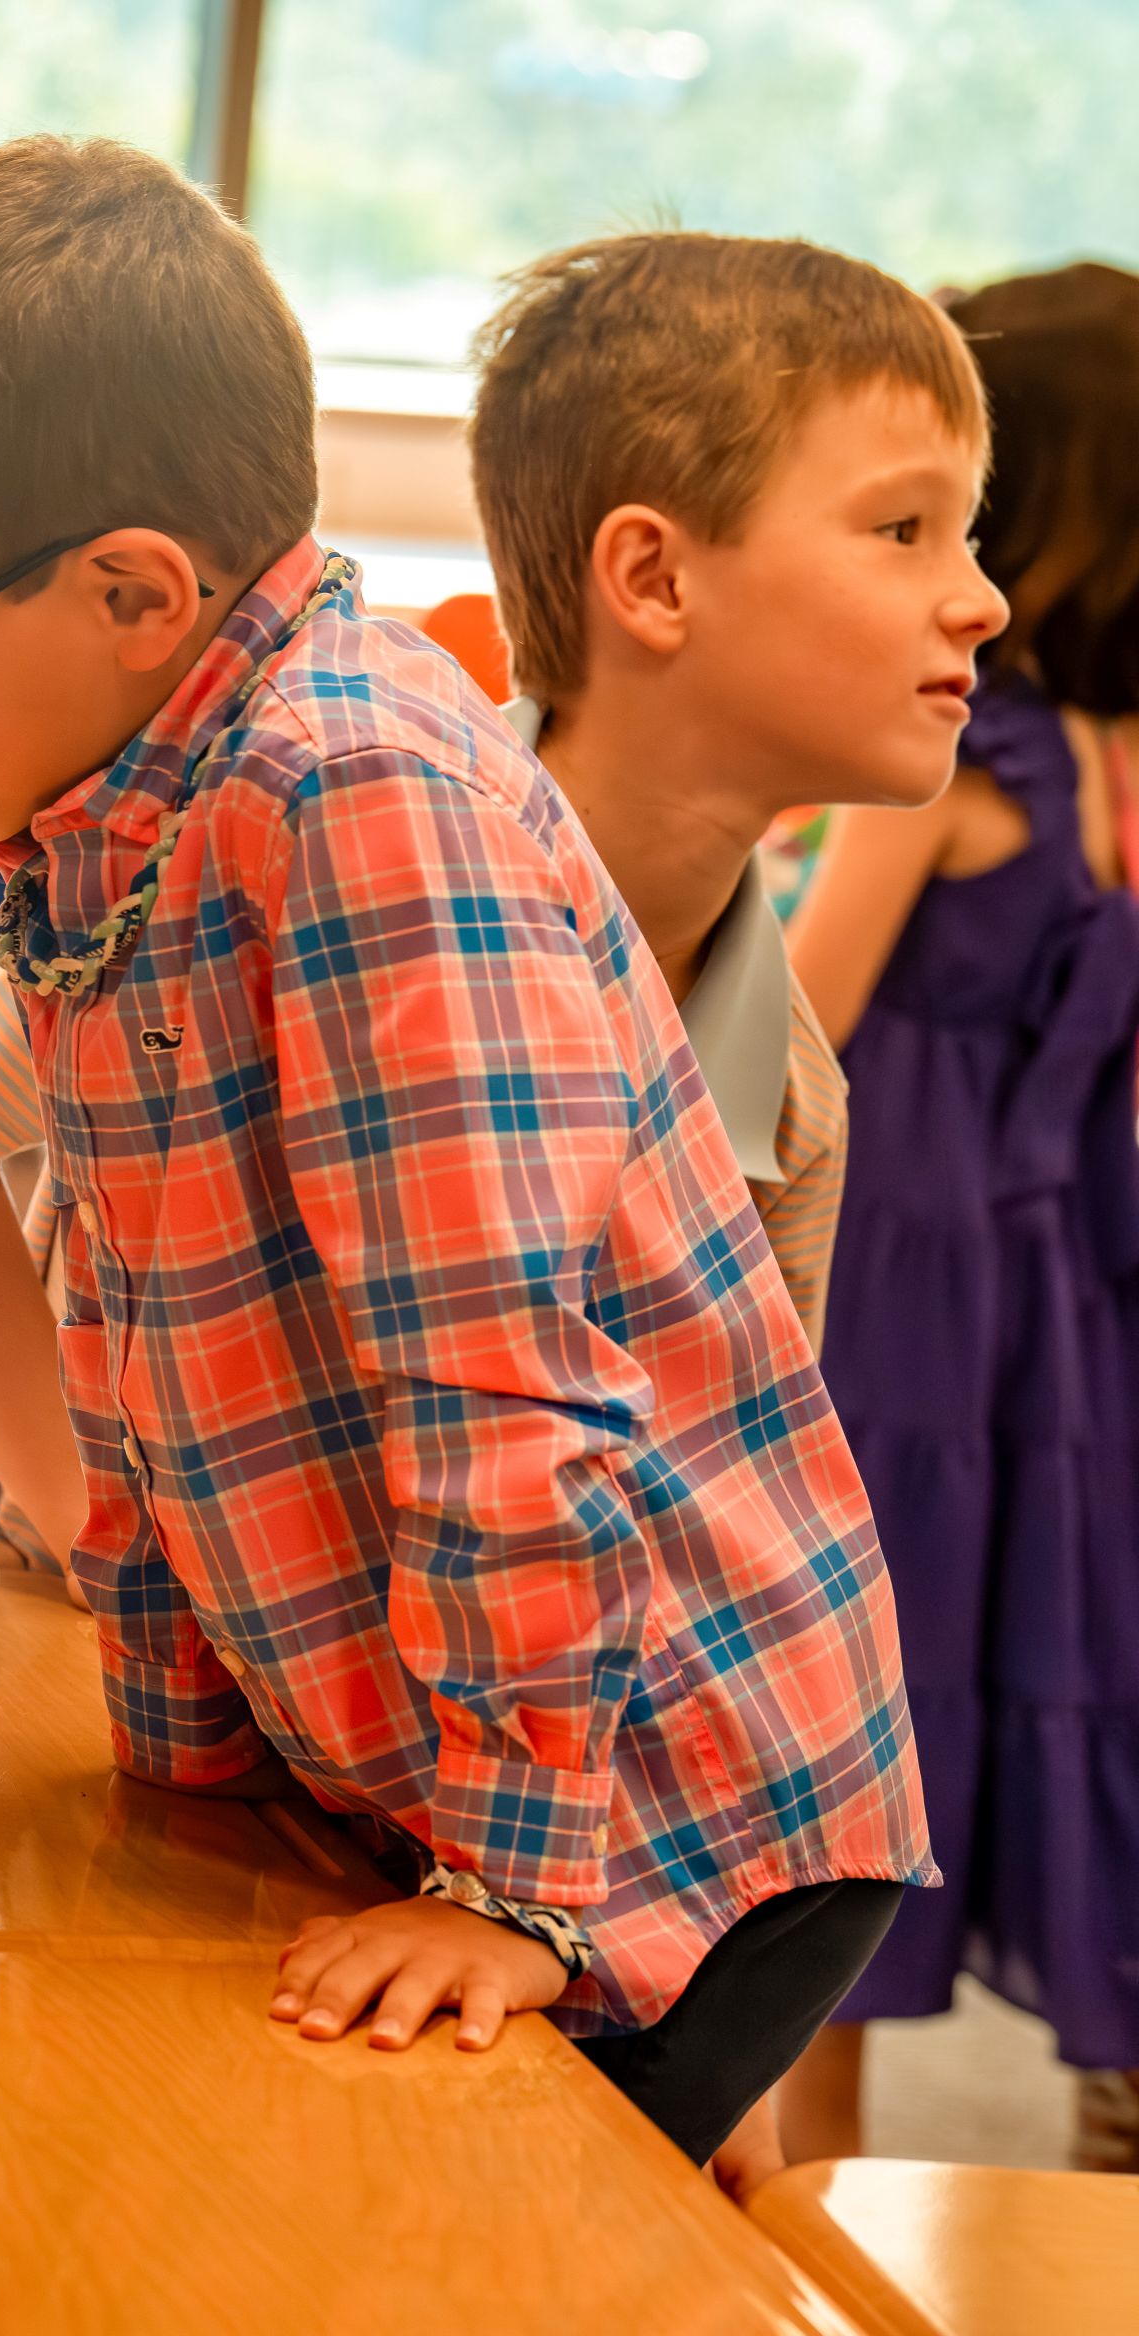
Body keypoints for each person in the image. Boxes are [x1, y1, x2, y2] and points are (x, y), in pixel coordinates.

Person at [0, 139, 929, 2188]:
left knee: (451, 2246)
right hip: (432, 1775)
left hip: (656, 1820)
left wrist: (517, 1889)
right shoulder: (130, 803)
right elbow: (159, 1333)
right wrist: (193, 1773)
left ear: (130, 596)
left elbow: (493, 1370)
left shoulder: (351, 795)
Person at [0, 230, 1003, 1599]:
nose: (980, 599)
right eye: (902, 530)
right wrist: (105, 1546)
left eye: (968, 532)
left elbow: (715, 1525)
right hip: (126, 1706)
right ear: (649, 579)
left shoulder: (790, 1104)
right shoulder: (309, 838)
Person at [782, 261, 1139, 2174]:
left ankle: (799, 2183)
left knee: (856, 1707)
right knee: (1008, 1667)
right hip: (1057, 1295)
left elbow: (798, 1023)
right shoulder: (1108, 763)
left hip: (892, 1281)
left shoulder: (956, 741)